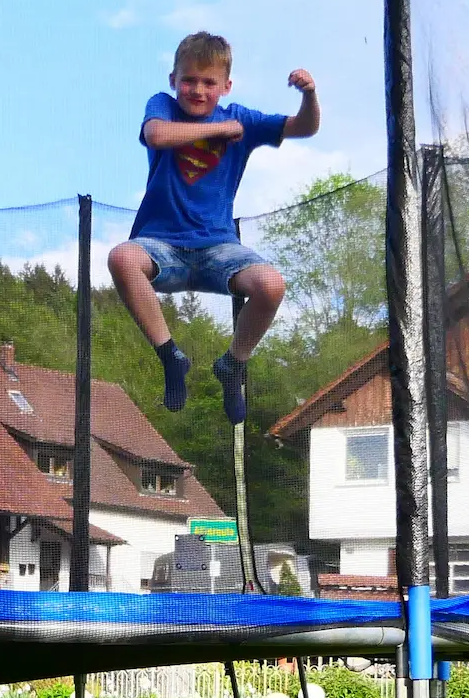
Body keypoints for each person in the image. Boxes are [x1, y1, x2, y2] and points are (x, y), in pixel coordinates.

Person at [108, 30, 319, 423]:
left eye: (209, 82)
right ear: (174, 81)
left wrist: (309, 94)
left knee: (271, 285)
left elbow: (304, 128)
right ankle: (171, 356)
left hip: (218, 248)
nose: (198, 90)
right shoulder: (164, 108)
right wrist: (218, 131)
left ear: (226, 86)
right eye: (189, 80)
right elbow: (156, 135)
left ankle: (233, 364)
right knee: (121, 257)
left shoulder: (242, 119)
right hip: (161, 246)